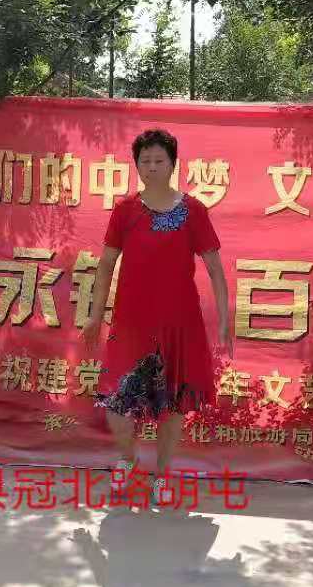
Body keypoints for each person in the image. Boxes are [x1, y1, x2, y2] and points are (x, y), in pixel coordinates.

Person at [80, 129, 233, 503]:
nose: (151, 167)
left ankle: (162, 475)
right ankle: (128, 459)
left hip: (179, 323)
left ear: (172, 164)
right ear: (136, 165)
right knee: (118, 401)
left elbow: (215, 268)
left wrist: (225, 318)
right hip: (131, 322)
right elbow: (105, 265)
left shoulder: (194, 211)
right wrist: (95, 315)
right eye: (145, 160)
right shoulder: (125, 210)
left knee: (172, 404)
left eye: (158, 160)